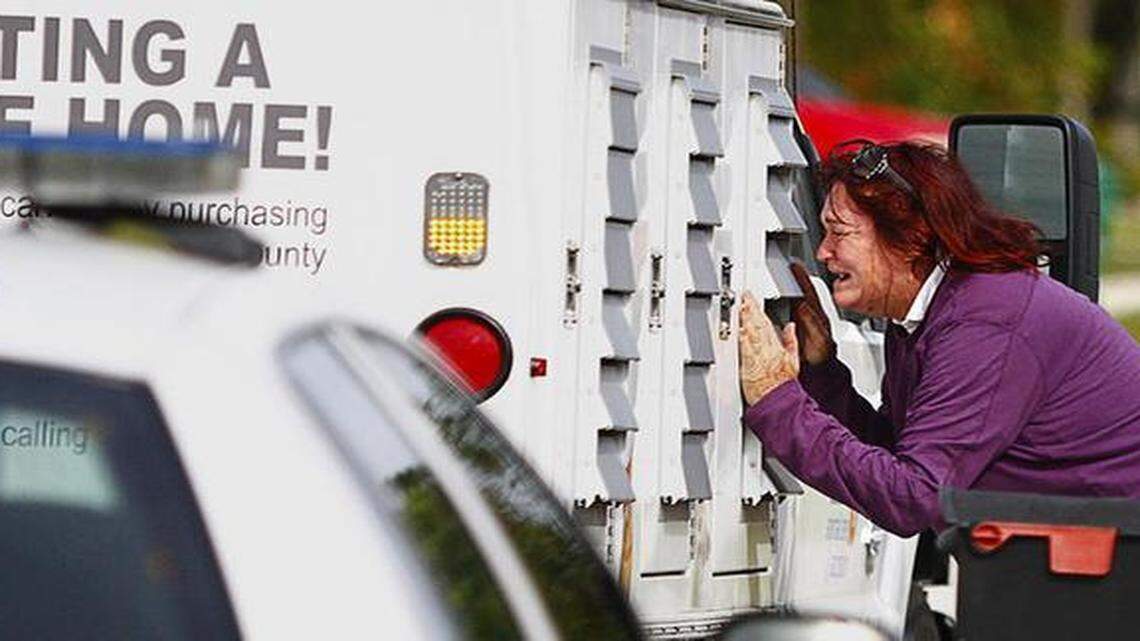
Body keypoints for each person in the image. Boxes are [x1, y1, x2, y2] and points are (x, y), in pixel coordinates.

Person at [739, 140, 1140, 537]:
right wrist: (820, 372)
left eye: (839, 233)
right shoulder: (933, 311)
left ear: (911, 238)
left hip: (1117, 567)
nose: (823, 252)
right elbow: (899, 453)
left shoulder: (986, 323)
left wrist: (777, 401)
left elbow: (914, 497)